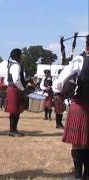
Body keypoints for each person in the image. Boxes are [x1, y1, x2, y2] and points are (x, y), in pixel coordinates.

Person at [53, 35, 89, 179]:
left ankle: (78, 175)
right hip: (81, 105)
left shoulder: (80, 60)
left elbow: (61, 79)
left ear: (86, 46)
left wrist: (58, 93)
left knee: (78, 143)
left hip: (80, 105)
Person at [4, 48, 28, 137]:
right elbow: (17, 80)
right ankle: (12, 130)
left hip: (11, 88)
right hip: (15, 89)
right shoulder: (16, 66)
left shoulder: (10, 65)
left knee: (15, 111)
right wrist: (22, 89)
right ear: (17, 56)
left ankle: (13, 129)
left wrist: (9, 86)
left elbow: (6, 80)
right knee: (15, 111)